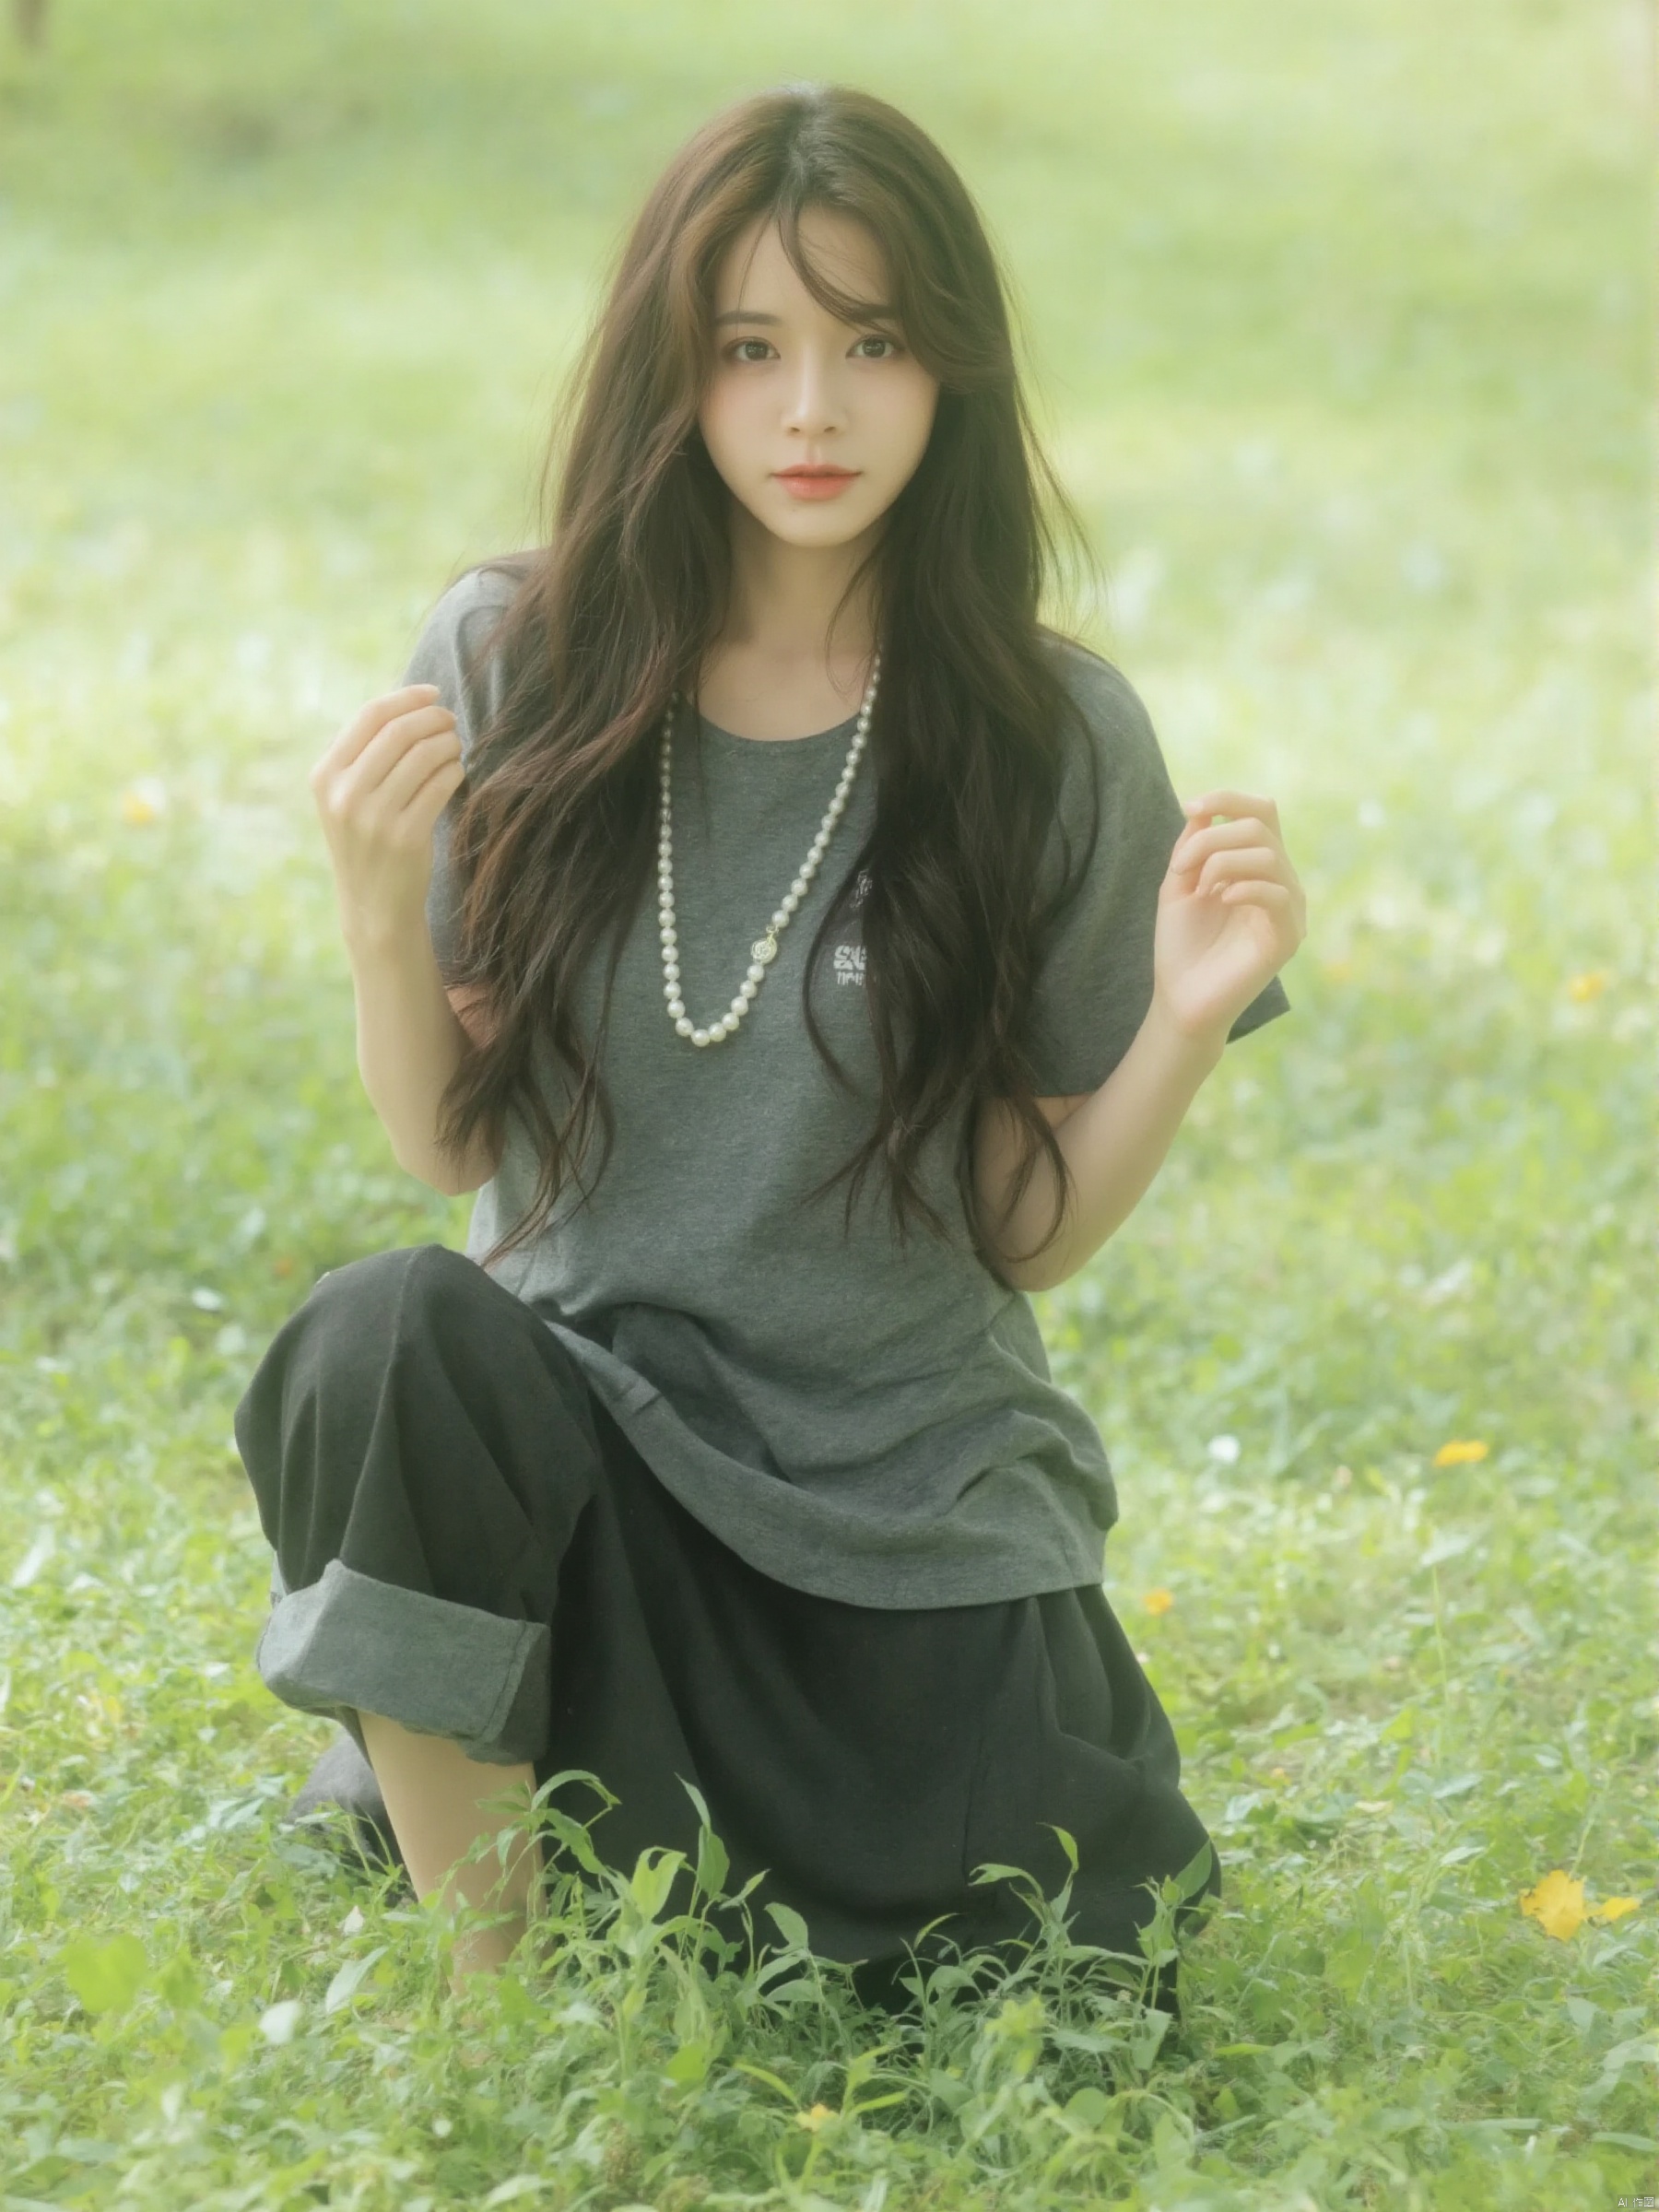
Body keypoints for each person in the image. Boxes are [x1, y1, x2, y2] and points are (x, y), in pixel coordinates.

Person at [235, 82, 1305, 2004]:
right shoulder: (512, 661)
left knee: (1041, 1962)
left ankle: (567, 1799)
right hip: (595, 1488)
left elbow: (1024, 1226)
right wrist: (371, 904)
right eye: (752, 349)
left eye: (872, 343)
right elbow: (440, 1133)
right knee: (380, 1332)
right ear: (677, 370)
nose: (812, 410)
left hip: (905, 1524)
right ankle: (504, 2015)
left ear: (950, 368)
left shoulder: (1047, 738)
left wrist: (1185, 1026)